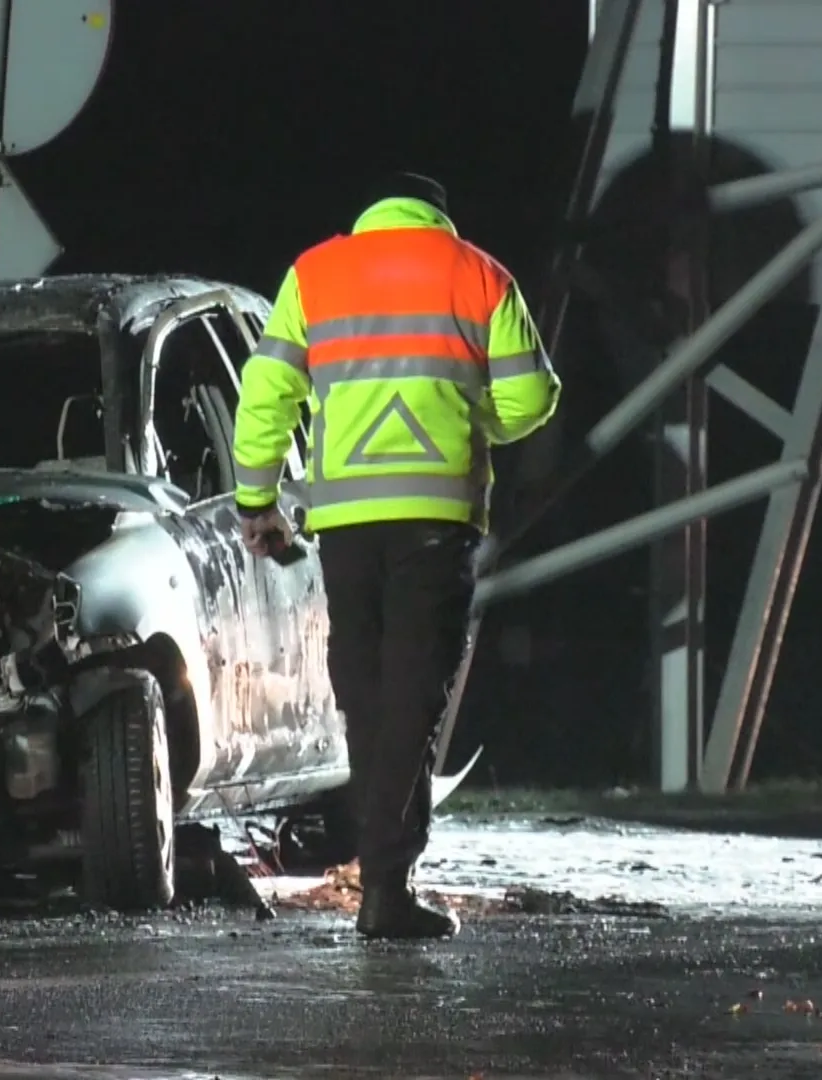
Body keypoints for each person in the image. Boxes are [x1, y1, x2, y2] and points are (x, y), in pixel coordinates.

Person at [231, 172, 561, 940]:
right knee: (414, 698)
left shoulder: (315, 273)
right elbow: (533, 398)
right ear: (438, 216)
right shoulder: (479, 273)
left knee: (368, 694)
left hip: (344, 521)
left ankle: (388, 877)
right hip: (437, 519)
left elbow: (267, 390)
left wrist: (257, 498)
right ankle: (385, 882)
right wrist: (467, 418)